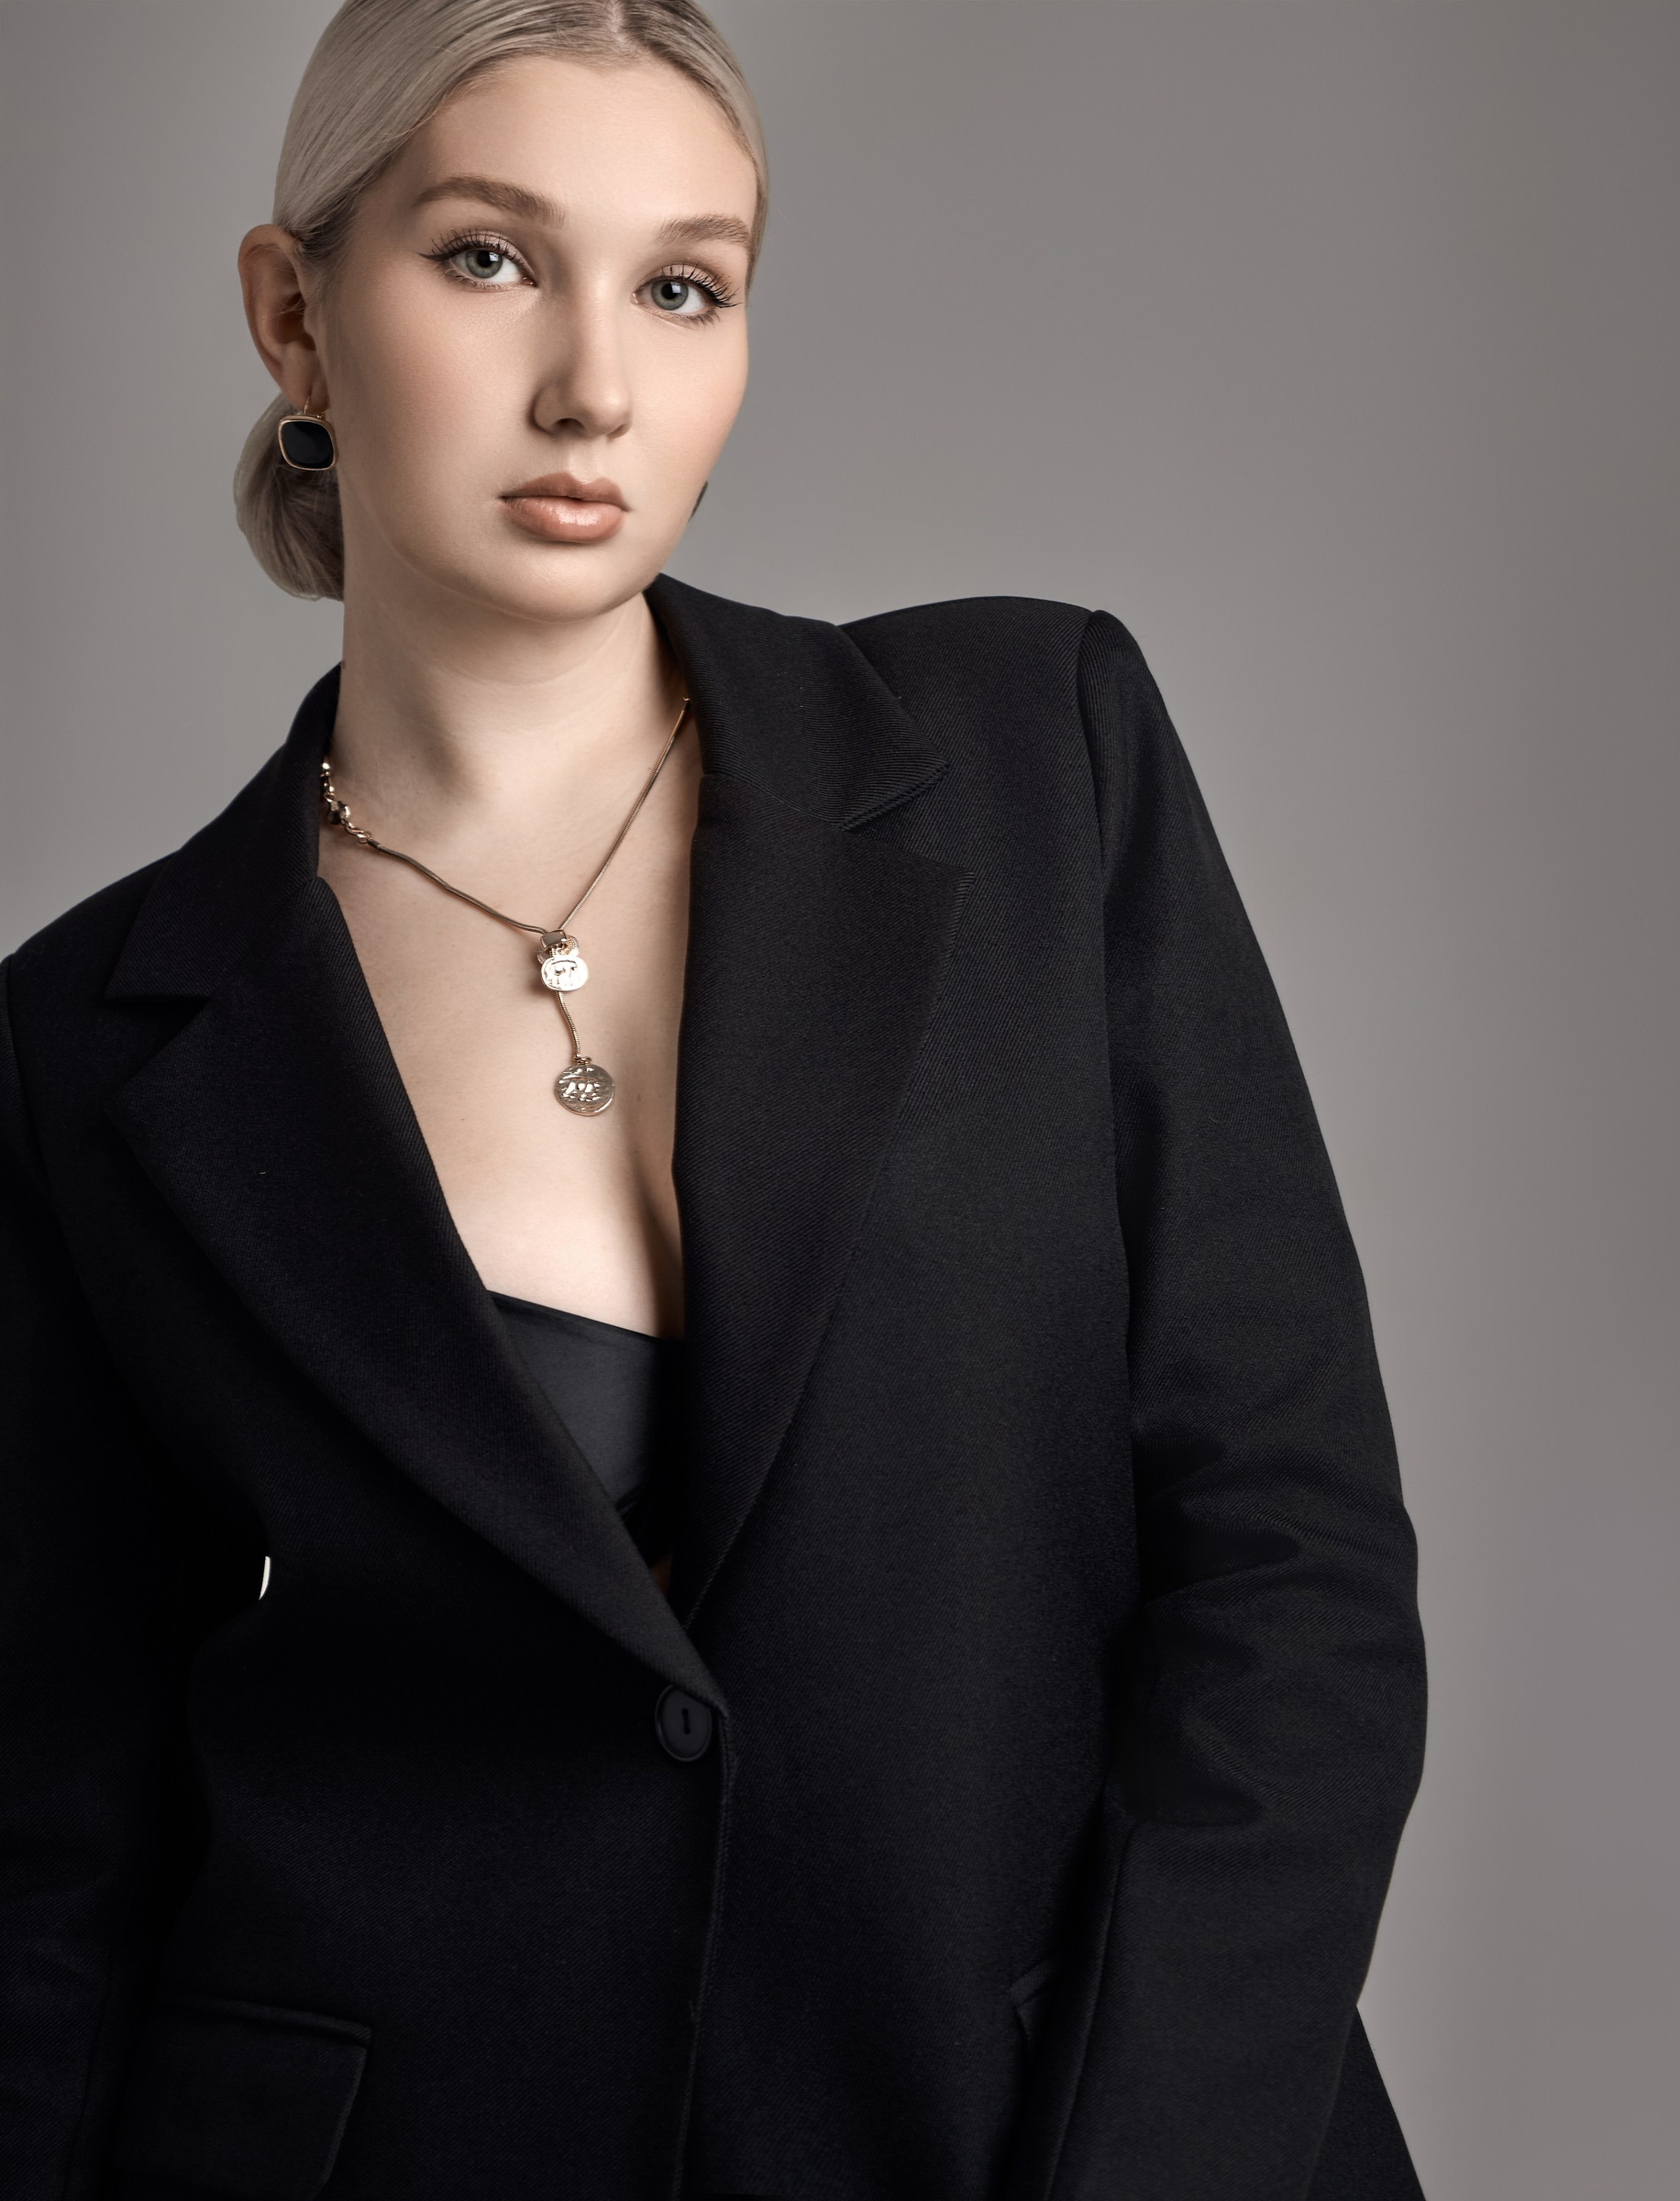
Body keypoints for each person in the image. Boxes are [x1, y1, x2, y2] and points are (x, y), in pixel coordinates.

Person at [0, 3, 1428, 2195]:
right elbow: (54, 1823)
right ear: (294, 316)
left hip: (1043, 2119)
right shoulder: (90, 1038)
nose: (597, 384)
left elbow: (1289, 1562)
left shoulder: (1035, 759)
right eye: (489, 258)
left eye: (684, 285)